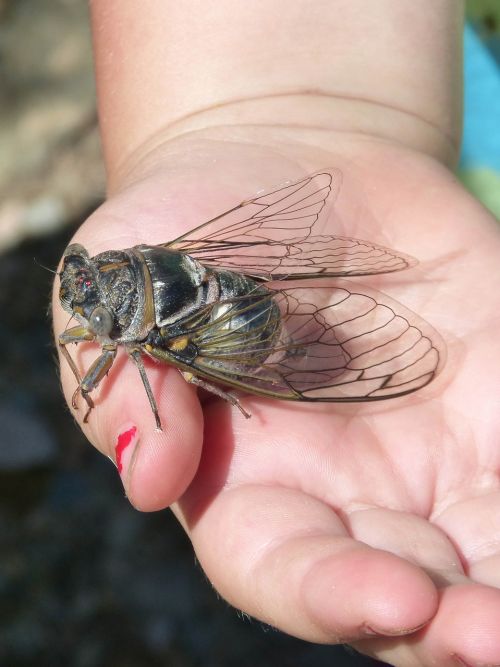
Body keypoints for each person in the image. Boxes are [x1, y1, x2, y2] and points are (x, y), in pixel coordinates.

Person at [53, 2, 500, 665]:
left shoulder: (136, 346)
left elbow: (147, 382)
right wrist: (271, 115)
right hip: (229, 308)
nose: (79, 301)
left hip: (221, 329)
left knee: (183, 367)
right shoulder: (142, 304)